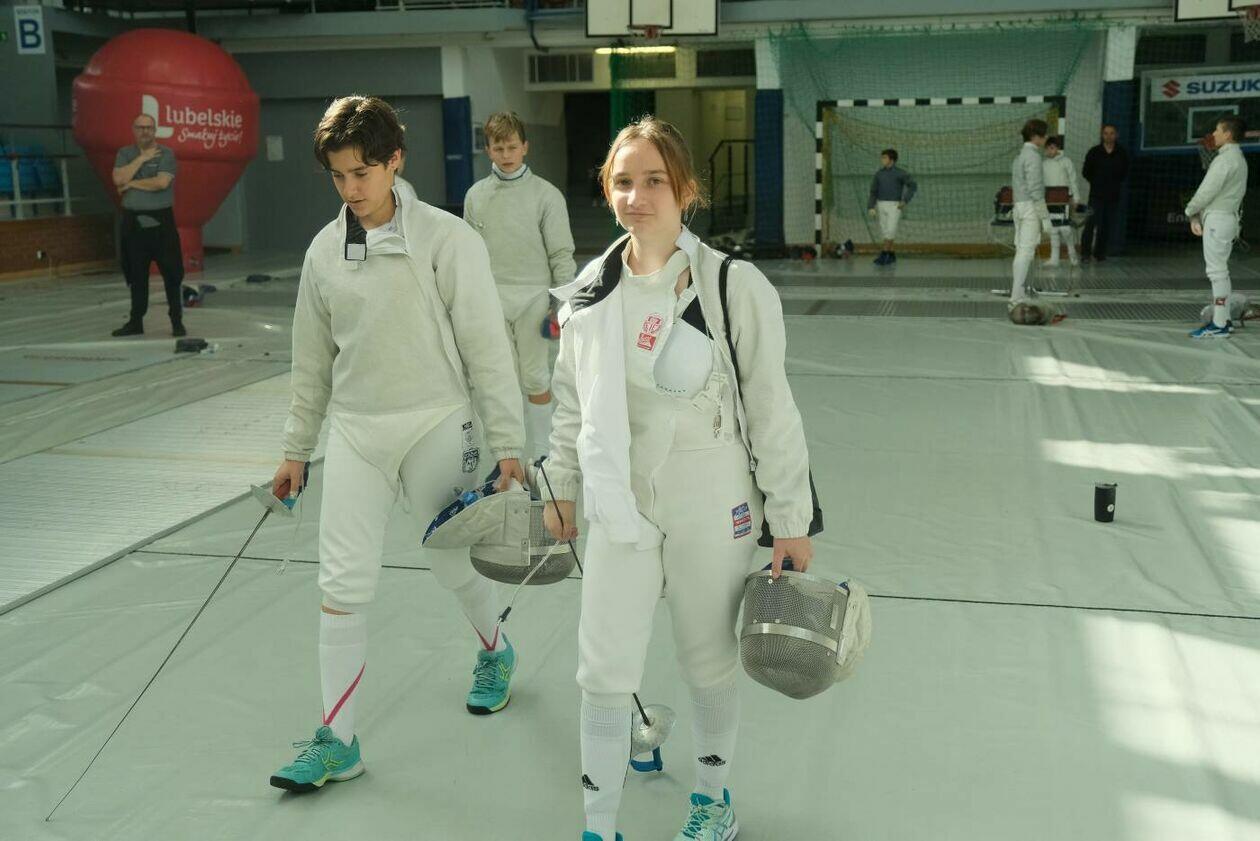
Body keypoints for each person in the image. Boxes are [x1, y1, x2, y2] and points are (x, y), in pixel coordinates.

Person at [542, 116, 816, 841]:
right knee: (602, 668)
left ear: (686, 189)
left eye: (654, 181)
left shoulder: (734, 285)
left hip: (712, 496)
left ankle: (713, 800)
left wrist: (790, 519)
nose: (636, 197)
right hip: (620, 500)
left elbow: (771, 407)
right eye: (622, 182)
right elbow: (571, 403)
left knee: (706, 657)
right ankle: (599, 824)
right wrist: (561, 486)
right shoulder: (588, 292)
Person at [268, 95, 527, 793]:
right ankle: (338, 741)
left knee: (450, 562)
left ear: (395, 162)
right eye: (338, 175)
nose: (351, 189)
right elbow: (311, 360)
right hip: (357, 432)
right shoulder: (324, 252)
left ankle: (495, 649)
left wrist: (508, 441)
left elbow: (486, 346)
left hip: (436, 421)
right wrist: (296, 447)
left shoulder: (448, 240)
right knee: (341, 584)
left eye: (362, 172)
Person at [464, 111, 576, 460]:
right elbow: (467, 255)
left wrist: (562, 303)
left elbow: (561, 253)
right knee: (500, 378)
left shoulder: (546, 195)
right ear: (488, 150)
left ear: (525, 147)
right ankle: (508, 455)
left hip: (534, 298)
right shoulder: (476, 196)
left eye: (512, 147)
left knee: (534, 376)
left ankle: (543, 454)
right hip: (492, 298)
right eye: (499, 148)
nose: (507, 154)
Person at [110, 112, 187, 338]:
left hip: (161, 222)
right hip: (133, 222)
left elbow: (161, 183)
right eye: (140, 127)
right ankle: (136, 321)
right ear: (133, 130)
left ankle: (176, 321)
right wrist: (142, 159)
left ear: (155, 130)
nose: (145, 131)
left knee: (172, 273)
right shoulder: (125, 153)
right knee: (136, 275)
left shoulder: (166, 154)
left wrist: (132, 183)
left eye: (149, 127)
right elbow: (118, 179)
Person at [1185, 115, 1249, 338]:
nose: (1213, 134)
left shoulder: (1224, 161)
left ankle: (1220, 324)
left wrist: (1190, 211)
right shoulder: (1238, 158)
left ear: (1228, 134)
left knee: (1217, 272)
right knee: (1221, 271)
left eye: (1217, 130)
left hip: (1218, 220)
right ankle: (1224, 320)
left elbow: (1207, 191)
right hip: (1227, 219)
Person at [1009, 119, 1052, 304]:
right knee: (1025, 253)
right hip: (1029, 208)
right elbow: (1035, 190)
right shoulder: (1033, 157)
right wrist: (1045, 217)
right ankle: (1016, 297)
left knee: (1021, 251)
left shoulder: (1020, 156)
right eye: (1044, 134)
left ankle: (1018, 293)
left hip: (1019, 206)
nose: (1046, 137)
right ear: (1035, 136)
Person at [1080, 124, 1129, 262]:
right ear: (1102, 135)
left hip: (1113, 194)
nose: (1109, 136)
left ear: (1116, 135)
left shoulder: (1121, 153)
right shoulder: (1094, 152)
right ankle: (1085, 254)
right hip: (1096, 195)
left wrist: (1113, 183)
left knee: (1106, 225)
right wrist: (1097, 182)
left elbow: (1124, 172)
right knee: (1090, 223)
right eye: (1106, 133)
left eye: (1111, 133)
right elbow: (1086, 172)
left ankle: (1100, 253)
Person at [867, 148, 916, 266]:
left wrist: (905, 200)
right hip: (881, 204)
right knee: (884, 231)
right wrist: (871, 206)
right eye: (882, 157)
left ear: (892, 160)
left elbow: (913, 186)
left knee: (890, 230)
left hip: (894, 206)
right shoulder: (879, 174)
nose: (882, 160)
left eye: (884, 157)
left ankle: (884, 254)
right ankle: (891, 254)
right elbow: (873, 191)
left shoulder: (900, 173)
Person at [1041, 136, 1080, 268]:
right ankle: (1054, 259)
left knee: (1065, 228)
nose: (1049, 151)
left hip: (1063, 199)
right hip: (1049, 199)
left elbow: (1073, 180)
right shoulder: (1044, 164)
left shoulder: (1066, 161)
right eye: (1047, 148)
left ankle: (1072, 255)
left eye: (1052, 148)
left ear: (1057, 148)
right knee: (1053, 229)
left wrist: (1075, 198)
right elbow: (1042, 184)